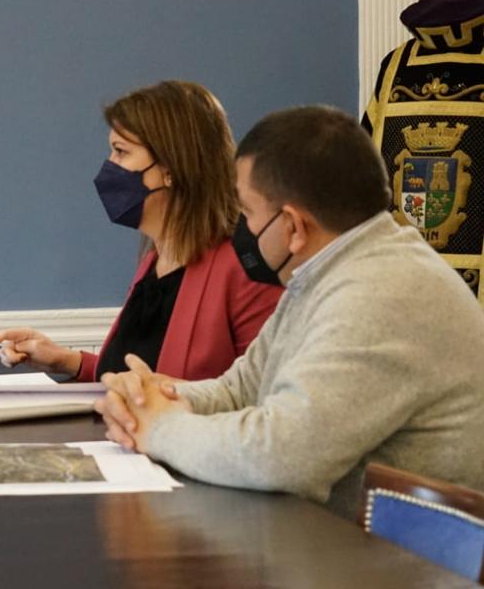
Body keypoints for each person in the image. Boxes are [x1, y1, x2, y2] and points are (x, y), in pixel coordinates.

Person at [95, 105, 484, 518]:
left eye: (246, 211)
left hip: (402, 572)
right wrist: (146, 397)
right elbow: (239, 389)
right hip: (345, 551)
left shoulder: (384, 293)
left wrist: (159, 428)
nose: (239, 226)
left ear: (293, 228)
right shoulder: (327, 271)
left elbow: (282, 456)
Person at [0, 81, 282, 381]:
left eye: (121, 152)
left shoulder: (247, 269)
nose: (109, 166)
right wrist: (65, 360)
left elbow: (260, 398)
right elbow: (134, 376)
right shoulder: (155, 260)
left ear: (170, 169)